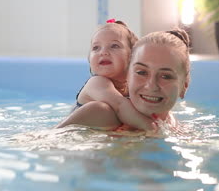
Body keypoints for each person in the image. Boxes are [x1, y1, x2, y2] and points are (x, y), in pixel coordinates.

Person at [56, 27, 190, 133]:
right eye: (141, 72)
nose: (151, 86)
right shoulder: (99, 90)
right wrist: (150, 127)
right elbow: (120, 106)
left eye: (165, 76)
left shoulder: (168, 119)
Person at [56, 19, 156, 131]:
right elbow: (119, 106)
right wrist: (153, 129)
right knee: (101, 109)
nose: (103, 52)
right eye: (96, 48)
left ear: (132, 55)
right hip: (68, 134)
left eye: (114, 46)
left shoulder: (133, 86)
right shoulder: (97, 83)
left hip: (102, 137)